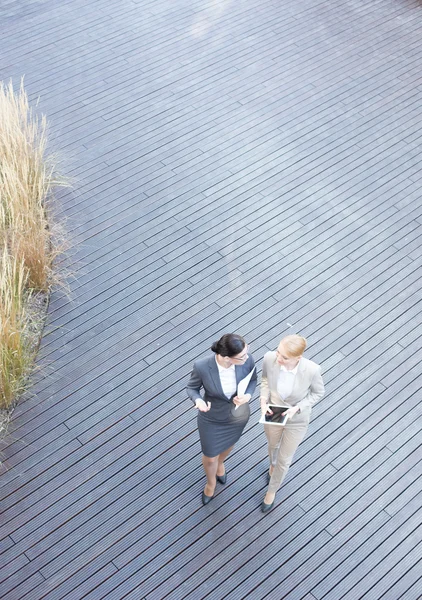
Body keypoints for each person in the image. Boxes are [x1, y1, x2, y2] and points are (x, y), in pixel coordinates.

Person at [187, 333, 257, 505]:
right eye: (241, 356)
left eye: (246, 353)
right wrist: (198, 400)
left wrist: (247, 396)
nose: (246, 357)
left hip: (237, 416)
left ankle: (221, 463)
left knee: (228, 445)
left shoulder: (247, 360)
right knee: (210, 456)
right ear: (226, 357)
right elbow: (192, 388)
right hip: (211, 417)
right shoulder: (202, 366)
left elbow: (252, 381)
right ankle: (210, 483)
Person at [260, 335, 324, 513]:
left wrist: (298, 408)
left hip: (296, 420)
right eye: (278, 352)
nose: (278, 358)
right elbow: (265, 380)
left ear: (298, 358)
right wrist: (263, 400)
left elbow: (318, 393)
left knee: (284, 459)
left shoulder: (312, 370)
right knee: (272, 446)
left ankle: (271, 491)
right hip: (274, 412)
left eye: (284, 357)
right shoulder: (269, 358)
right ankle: (272, 465)